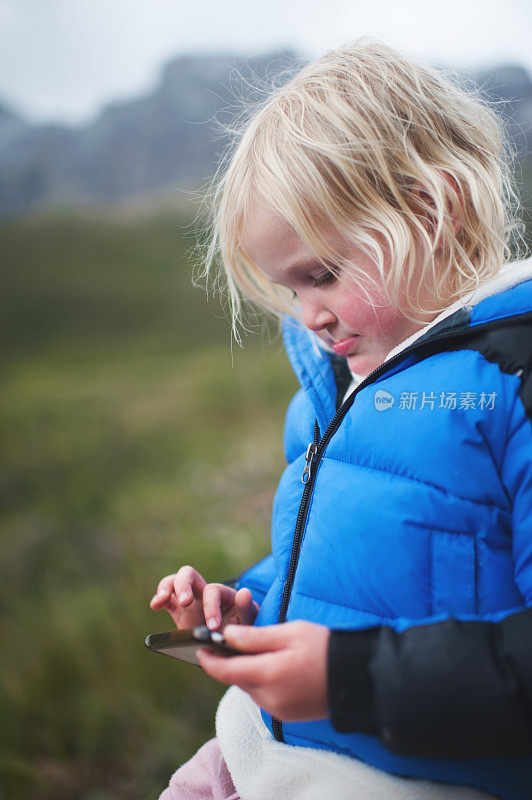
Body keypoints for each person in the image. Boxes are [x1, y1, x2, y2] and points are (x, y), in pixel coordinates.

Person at [149, 37, 532, 800]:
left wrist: (350, 678)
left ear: (433, 211)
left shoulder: (509, 384)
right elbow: (343, 567)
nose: (307, 316)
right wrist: (244, 602)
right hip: (255, 744)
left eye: (321, 275)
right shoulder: (335, 390)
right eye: (289, 288)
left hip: (411, 776)